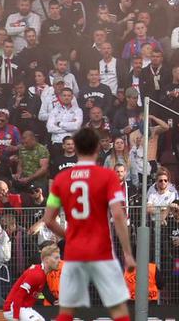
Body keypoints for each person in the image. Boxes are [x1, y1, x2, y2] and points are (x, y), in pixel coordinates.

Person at [41, 128, 135, 321]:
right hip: (101, 249)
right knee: (118, 311)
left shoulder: (61, 179)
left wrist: (69, 237)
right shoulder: (107, 177)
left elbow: (48, 220)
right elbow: (118, 215)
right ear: (97, 149)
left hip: (75, 251)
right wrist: (127, 253)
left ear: (75, 149)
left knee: (66, 312)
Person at [3, 243, 62, 321]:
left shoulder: (42, 273)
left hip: (25, 308)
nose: (59, 261)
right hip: (13, 309)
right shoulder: (36, 274)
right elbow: (18, 296)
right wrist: (15, 318)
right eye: (56, 258)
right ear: (47, 260)